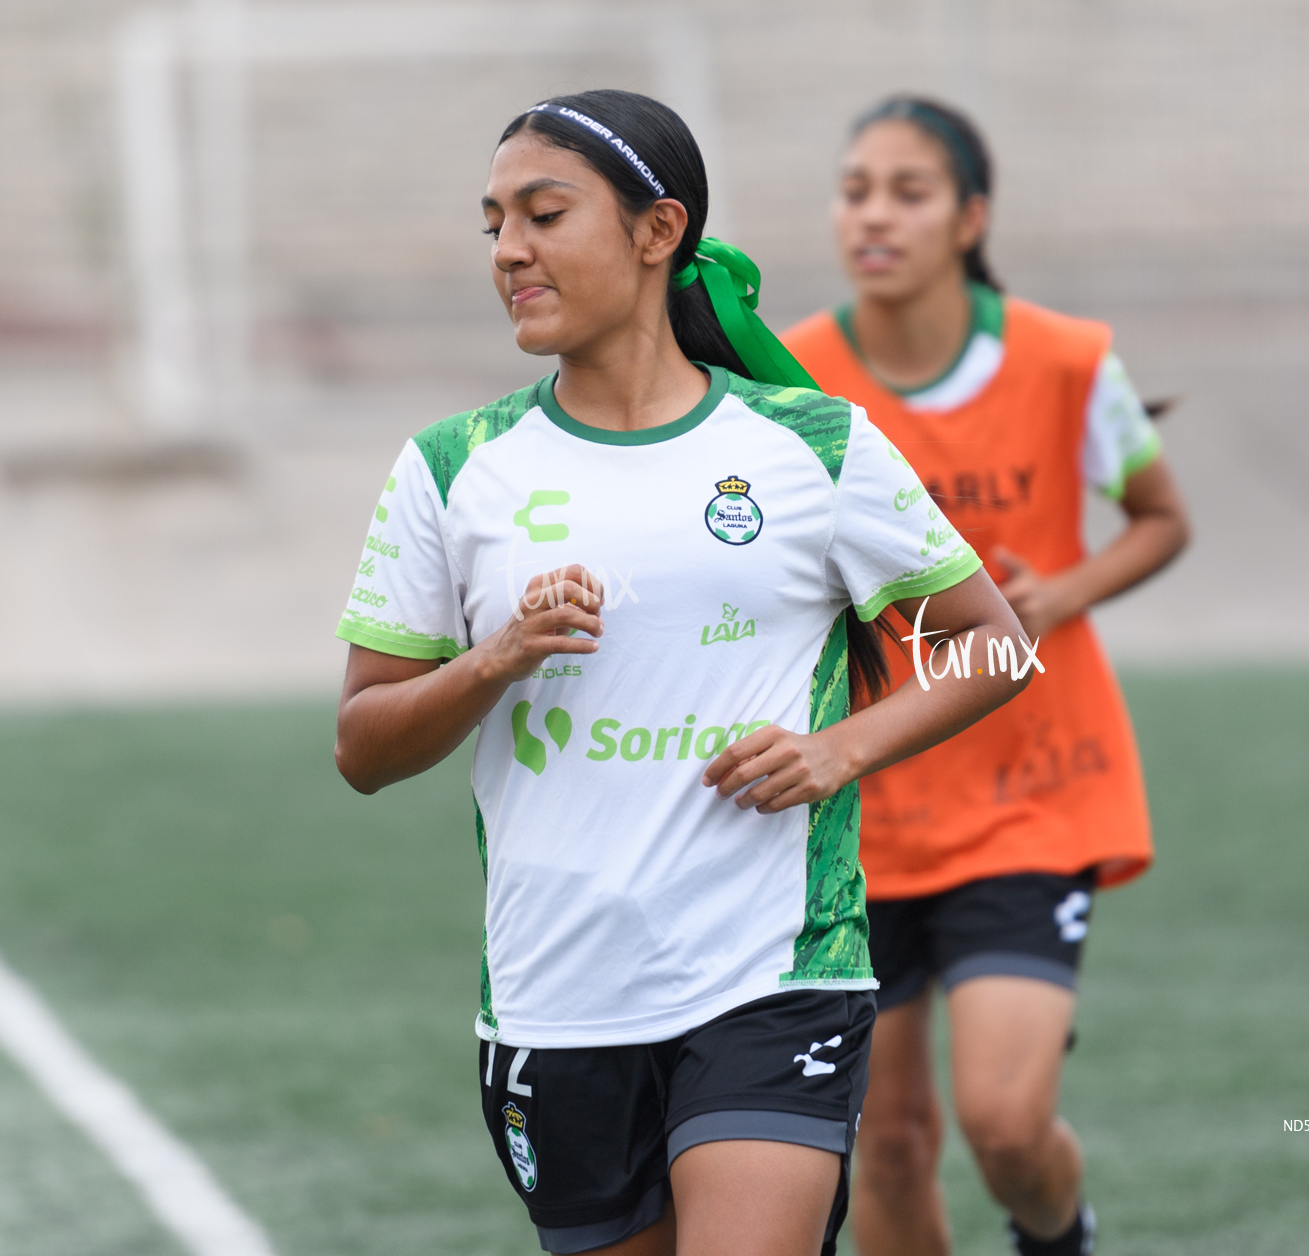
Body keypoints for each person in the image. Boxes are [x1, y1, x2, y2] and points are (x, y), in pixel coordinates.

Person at [333, 89, 1038, 1256]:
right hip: (556, 998)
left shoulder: (809, 445)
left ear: (657, 233)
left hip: (774, 975)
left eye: (544, 215)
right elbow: (363, 747)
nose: (509, 250)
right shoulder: (452, 468)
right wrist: (495, 659)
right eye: (494, 224)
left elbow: (994, 645)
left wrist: (838, 750)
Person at [779, 97, 1192, 1256]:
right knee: (893, 1144)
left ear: (970, 218)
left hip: (1032, 793)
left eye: (906, 191)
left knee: (1005, 1127)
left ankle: (1058, 1234)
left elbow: (1160, 519)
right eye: (854, 187)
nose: (872, 213)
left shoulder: (1066, 360)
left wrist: (1061, 592)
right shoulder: (791, 378)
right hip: (867, 805)